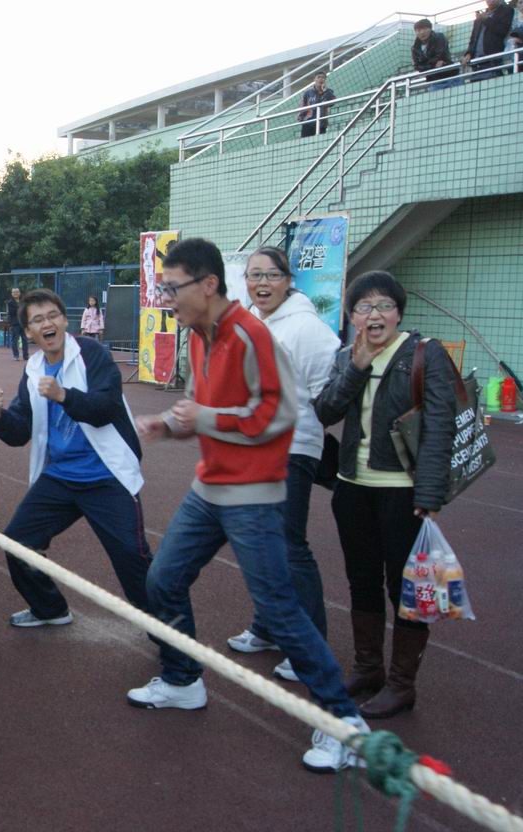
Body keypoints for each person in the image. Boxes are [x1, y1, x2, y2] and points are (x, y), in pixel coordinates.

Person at [129, 238, 367, 773]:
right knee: (163, 581)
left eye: (172, 288)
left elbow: (280, 416)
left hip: (254, 494)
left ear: (208, 284)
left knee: (279, 608)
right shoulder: (197, 337)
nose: (166, 298)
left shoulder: (251, 334)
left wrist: (203, 420)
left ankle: (345, 723)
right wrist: (168, 425)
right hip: (209, 488)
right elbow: (203, 410)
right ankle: (183, 680)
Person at [313, 271, 458, 719]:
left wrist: (430, 494)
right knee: (361, 580)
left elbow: (440, 427)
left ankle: (401, 685)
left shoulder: (425, 354)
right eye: (363, 307)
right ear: (352, 316)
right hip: (352, 488)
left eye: (384, 306)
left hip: (403, 493)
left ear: (398, 312)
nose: (374, 315)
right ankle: (368, 667)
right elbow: (325, 411)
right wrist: (356, 368)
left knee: (405, 588)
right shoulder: (347, 356)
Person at [0, 289, 151, 628]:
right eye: (37, 320)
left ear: (64, 320)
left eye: (53, 316)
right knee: (18, 543)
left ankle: (176, 651)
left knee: (133, 562)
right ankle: (50, 609)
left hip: (106, 476)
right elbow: (20, 432)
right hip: (61, 476)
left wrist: (63, 395)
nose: (47, 324)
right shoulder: (33, 369)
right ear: (28, 332)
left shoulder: (92, 354)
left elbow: (106, 408)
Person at [228, 247, 339, 682]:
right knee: (262, 543)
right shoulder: (253, 323)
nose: (262, 283)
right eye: (254, 275)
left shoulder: (307, 328)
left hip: (292, 449)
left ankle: (310, 646)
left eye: (271, 275)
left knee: (290, 545)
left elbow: (330, 394)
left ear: (289, 280)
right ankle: (270, 626)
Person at [464, 0, 515, 79]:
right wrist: (469, 53)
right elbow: (473, 39)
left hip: (493, 62)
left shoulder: (506, 10)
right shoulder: (480, 17)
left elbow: (502, 30)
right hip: (477, 64)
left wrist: (486, 19)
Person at [298, 72, 336, 138]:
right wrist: (301, 117)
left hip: (321, 123)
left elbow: (332, 103)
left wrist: (325, 90)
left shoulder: (328, 91)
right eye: (318, 77)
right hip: (308, 122)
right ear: (314, 79)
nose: (321, 79)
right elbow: (303, 105)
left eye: (323, 77)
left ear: (325, 80)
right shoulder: (308, 92)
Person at [506, 0, 523, 66]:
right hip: (518, 57)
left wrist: (522, 40)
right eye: (520, 3)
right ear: (517, 5)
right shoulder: (515, 21)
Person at [4, 287, 27, 361]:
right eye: (14, 292)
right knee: (15, 340)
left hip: (23, 323)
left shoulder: (23, 301)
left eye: (17, 292)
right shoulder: (10, 303)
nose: (15, 293)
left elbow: (25, 311)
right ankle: (16, 355)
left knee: (25, 339)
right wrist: (20, 309)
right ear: (12, 294)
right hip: (15, 323)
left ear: (19, 293)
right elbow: (12, 313)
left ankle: (26, 356)